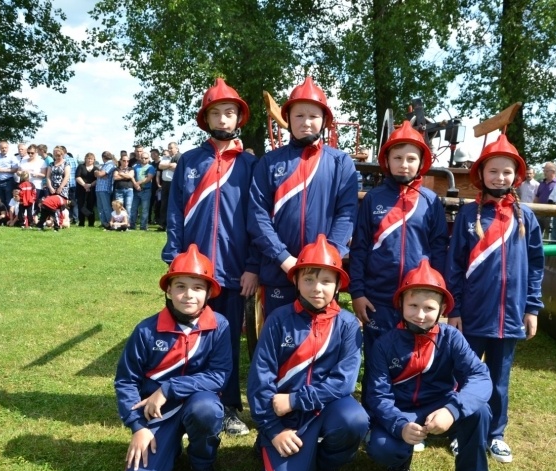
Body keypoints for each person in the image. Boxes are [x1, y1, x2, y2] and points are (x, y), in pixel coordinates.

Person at [163, 78, 259, 437]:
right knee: (188, 336)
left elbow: (258, 220)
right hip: (192, 271)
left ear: (239, 118)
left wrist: (253, 266)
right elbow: (175, 214)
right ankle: (186, 400)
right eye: (216, 113)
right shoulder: (189, 160)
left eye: (229, 113)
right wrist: (174, 258)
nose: (222, 119)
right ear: (206, 118)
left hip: (234, 270)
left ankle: (229, 406)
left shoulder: (250, 165)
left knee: (227, 339)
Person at [363, 259, 492, 471]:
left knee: (480, 412)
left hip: (440, 408)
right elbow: (377, 396)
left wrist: (452, 410)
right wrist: (400, 425)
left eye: (429, 308)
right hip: (402, 411)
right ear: (401, 304)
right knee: (381, 449)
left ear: (442, 309)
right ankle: (401, 459)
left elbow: (480, 376)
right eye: (413, 306)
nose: (420, 315)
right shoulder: (384, 344)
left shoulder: (451, 338)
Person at [446, 134, 544, 465]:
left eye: (506, 172)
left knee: (500, 380)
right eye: (493, 171)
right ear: (481, 174)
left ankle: (496, 434)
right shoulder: (467, 215)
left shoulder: (526, 217)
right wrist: (455, 308)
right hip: (472, 314)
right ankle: (462, 430)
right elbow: (454, 265)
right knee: (465, 376)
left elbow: (536, 267)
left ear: (516, 176)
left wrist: (532, 308)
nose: (500, 177)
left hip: (511, 315)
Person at [247, 235, 368, 471]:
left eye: (326, 281)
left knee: (356, 420)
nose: (317, 288)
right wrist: (273, 429)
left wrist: (295, 400)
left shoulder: (348, 324)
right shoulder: (278, 319)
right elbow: (260, 379)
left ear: (338, 285)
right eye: (309, 279)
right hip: (283, 416)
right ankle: (268, 442)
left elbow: (344, 383)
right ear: (296, 281)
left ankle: (326, 468)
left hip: (322, 409)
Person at [115, 244, 232, 471]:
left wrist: (169, 388)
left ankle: (202, 463)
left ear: (209, 292)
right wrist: (138, 426)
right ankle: (170, 445)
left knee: (207, 410)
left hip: (198, 403)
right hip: (157, 413)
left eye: (198, 287)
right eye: (180, 286)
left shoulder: (220, 326)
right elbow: (126, 380)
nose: (189, 295)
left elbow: (219, 376)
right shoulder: (146, 330)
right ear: (168, 289)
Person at [248, 76, 359, 316]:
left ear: (325, 120)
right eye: (299, 115)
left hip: (323, 274)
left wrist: (327, 258)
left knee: (321, 333)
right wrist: (283, 257)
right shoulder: (269, 162)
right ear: (287, 118)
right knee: (279, 332)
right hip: (278, 270)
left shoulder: (341, 163)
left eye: (313, 116)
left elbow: (347, 214)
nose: (306, 122)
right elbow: (258, 215)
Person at [349, 121, 448, 367]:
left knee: (411, 360)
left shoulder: (431, 201)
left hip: (418, 300)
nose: (404, 164)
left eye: (411, 158)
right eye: (398, 158)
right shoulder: (373, 198)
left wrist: (437, 295)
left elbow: (439, 250)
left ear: (421, 162)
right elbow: (359, 248)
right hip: (377, 299)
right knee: (376, 361)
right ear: (387, 160)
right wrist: (358, 293)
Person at [157, 142, 180, 231]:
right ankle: (162, 224)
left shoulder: (180, 157)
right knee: (164, 204)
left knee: (173, 204)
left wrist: (165, 166)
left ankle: (173, 224)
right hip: (165, 183)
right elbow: (160, 166)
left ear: (176, 148)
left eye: (171, 148)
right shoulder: (165, 157)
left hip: (174, 183)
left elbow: (177, 168)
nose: (169, 150)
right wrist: (170, 165)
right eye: (168, 148)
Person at [130, 151, 155, 230]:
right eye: (142, 158)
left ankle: (143, 226)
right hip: (136, 191)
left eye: (146, 158)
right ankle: (132, 225)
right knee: (133, 208)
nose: (144, 159)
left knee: (145, 209)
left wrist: (137, 183)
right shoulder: (135, 167)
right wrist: (135, 184)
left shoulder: (151, 167)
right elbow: (131, 176)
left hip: (146, 190)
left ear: (148, 158)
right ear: (140, 158)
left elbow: (149, 178)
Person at [533, 162, 556, 239]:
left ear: (553, 172)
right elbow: (537, 197)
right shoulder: (542, 183)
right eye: (544, 170)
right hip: (539, 213)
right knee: (537, 235)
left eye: (546, 171)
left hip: (550, 214)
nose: (544, 172)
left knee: (550, 236)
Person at [0, 140, 18, 208]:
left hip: (8, 181)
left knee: (9, 200)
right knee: (0, 200)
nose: (4, 149)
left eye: (5, 147)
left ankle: (10, 214)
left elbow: (15, 169)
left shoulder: (12, 157)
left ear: (8, 148)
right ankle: (3, 214)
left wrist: (2, 170)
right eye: (2, 148)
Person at [94, 151, 116, 229]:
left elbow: (100, 174)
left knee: (106, 207)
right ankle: (104, 223)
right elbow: (98, 174)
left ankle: (110, 223)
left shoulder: (110, 164)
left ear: (103, 157)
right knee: (100, 207)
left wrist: (98, 173)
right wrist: (98, 173)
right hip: (99, 188)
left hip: (105, 188)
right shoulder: (104, 165)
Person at [74, 153, 98, 227]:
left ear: (94, 160)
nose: (89, 160)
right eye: (88, 158)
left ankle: (91, 223)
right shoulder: (81, 167)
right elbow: (77, 177)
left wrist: (90, 185)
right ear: (85, 159)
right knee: (81, 206)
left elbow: (97, 179)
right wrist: (84, 185)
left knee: (90, 206)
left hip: (92, 189)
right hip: (81, 189)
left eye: (91, 159)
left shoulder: (96, 169)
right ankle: (81, 223)